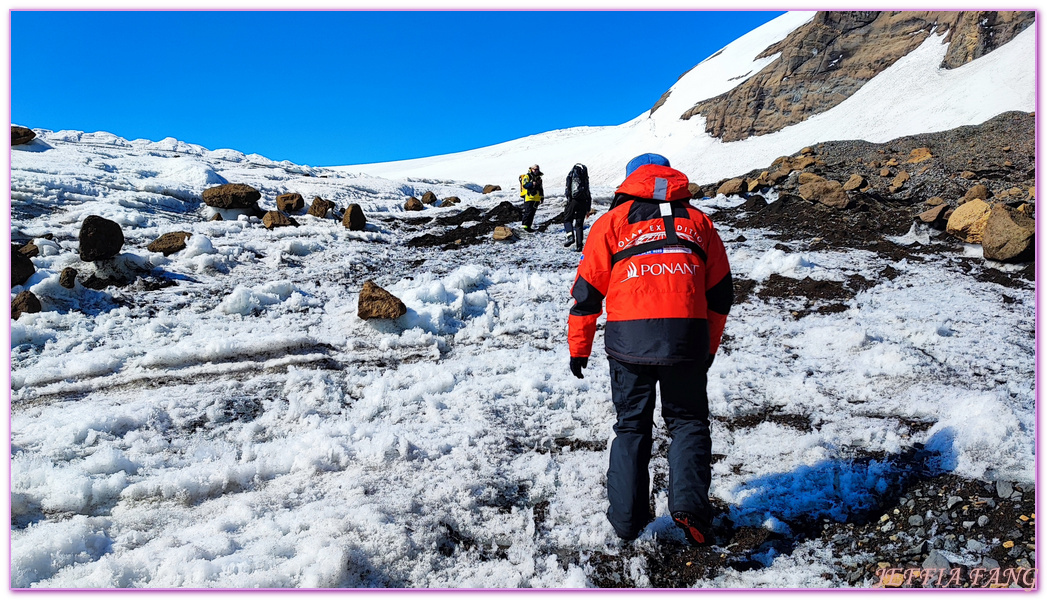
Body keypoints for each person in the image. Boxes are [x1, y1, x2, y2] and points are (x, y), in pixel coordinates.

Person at [566, 153, 733, 545]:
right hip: (687, 340)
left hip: (628, 343)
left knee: (631, 428)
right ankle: (690, 507)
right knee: (688, 423)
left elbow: (587, 295)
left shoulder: (610, 224)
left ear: (630, 181)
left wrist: (579, 349)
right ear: (670, 178)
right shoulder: (701, 223)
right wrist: (706, 347)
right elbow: (721, 293)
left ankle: (627, 521)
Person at [562, 163, 592, 251]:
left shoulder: (571, 176)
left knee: (567, 219)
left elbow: (568, 189)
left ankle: (570, 236)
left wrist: (569, 199)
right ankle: (579, 246)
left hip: (573, 201)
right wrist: (588, 207)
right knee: (579, 224)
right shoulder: (585, 178)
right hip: (584, 202)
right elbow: (588, 192)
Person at [519, 164, 544, 231]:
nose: (536, 171)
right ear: (532, 169)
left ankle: (528, 227)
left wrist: (542, 197)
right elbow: (525, 185)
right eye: (535, 169)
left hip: (537, 198)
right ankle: (524, 227)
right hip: (529, 197)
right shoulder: (528, 176)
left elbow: (541, 188)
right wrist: (532, 184)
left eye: (537, 169)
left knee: (532, 213)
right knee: (528, 212)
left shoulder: (539, 178)